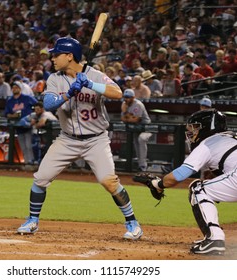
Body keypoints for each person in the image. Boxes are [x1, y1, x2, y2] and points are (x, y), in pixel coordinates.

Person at [17, 37, 143, 240]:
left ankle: (133, 223)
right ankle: (32, 220)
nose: (53, 58)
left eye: (56, 54)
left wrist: (91, 84)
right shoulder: (54, 78)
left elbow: (117, 93)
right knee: (40, 179)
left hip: (96, 140)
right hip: (67, 139)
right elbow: (49, 104)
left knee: (108, 182)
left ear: (69, 56)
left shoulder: (94, 75)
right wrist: (69, 93)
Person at [149, 109, 236, 255]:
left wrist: (158, 184)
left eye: (196, 127)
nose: (192, 132)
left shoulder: (207, 143)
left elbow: (180, 174)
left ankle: (215, 239)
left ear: (208, 127)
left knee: (199, 189)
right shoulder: (230, 137)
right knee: (209, 186)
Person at [5, 81, 38, 165]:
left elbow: (38, 105)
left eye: (16, 87)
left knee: (29, 145)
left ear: (20, 89)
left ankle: (32, 161)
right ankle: (27, 162)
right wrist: (12, 116)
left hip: (28, 125)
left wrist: (34, 117)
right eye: (13, 87)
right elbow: (6, 114)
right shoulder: (10, 101)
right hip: (18, 126)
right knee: (23, 147)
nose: (15, 89)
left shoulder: (26, 98)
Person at [121, 89, 152, 171]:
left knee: (141, 139)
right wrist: (128, 116)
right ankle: (141, 166)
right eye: (125, 97)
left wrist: (125, 114)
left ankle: (143, 166)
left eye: (128, 97)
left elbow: (136, 120)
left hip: (146, 128)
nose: (126, 99)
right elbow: (123, 119)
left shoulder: (138, 104)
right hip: (136, 129)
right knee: (136, 143)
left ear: (133, 97)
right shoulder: (124, 104)